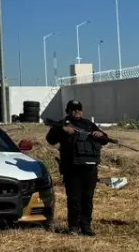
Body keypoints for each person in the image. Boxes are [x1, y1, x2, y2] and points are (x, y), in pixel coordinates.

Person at [45, 99, 107, 236]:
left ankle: (86, 226)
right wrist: (63, 130)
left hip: (89, 168)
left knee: (87, 198)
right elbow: (50, 139)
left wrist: (101, 135)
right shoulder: (62, 124)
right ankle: (73, 226)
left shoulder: (88, 124)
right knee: (74, 198)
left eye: (79, 109)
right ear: (68, 111)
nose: (76, 111)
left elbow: (104, 139)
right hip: (71, 168)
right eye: (73, 109)